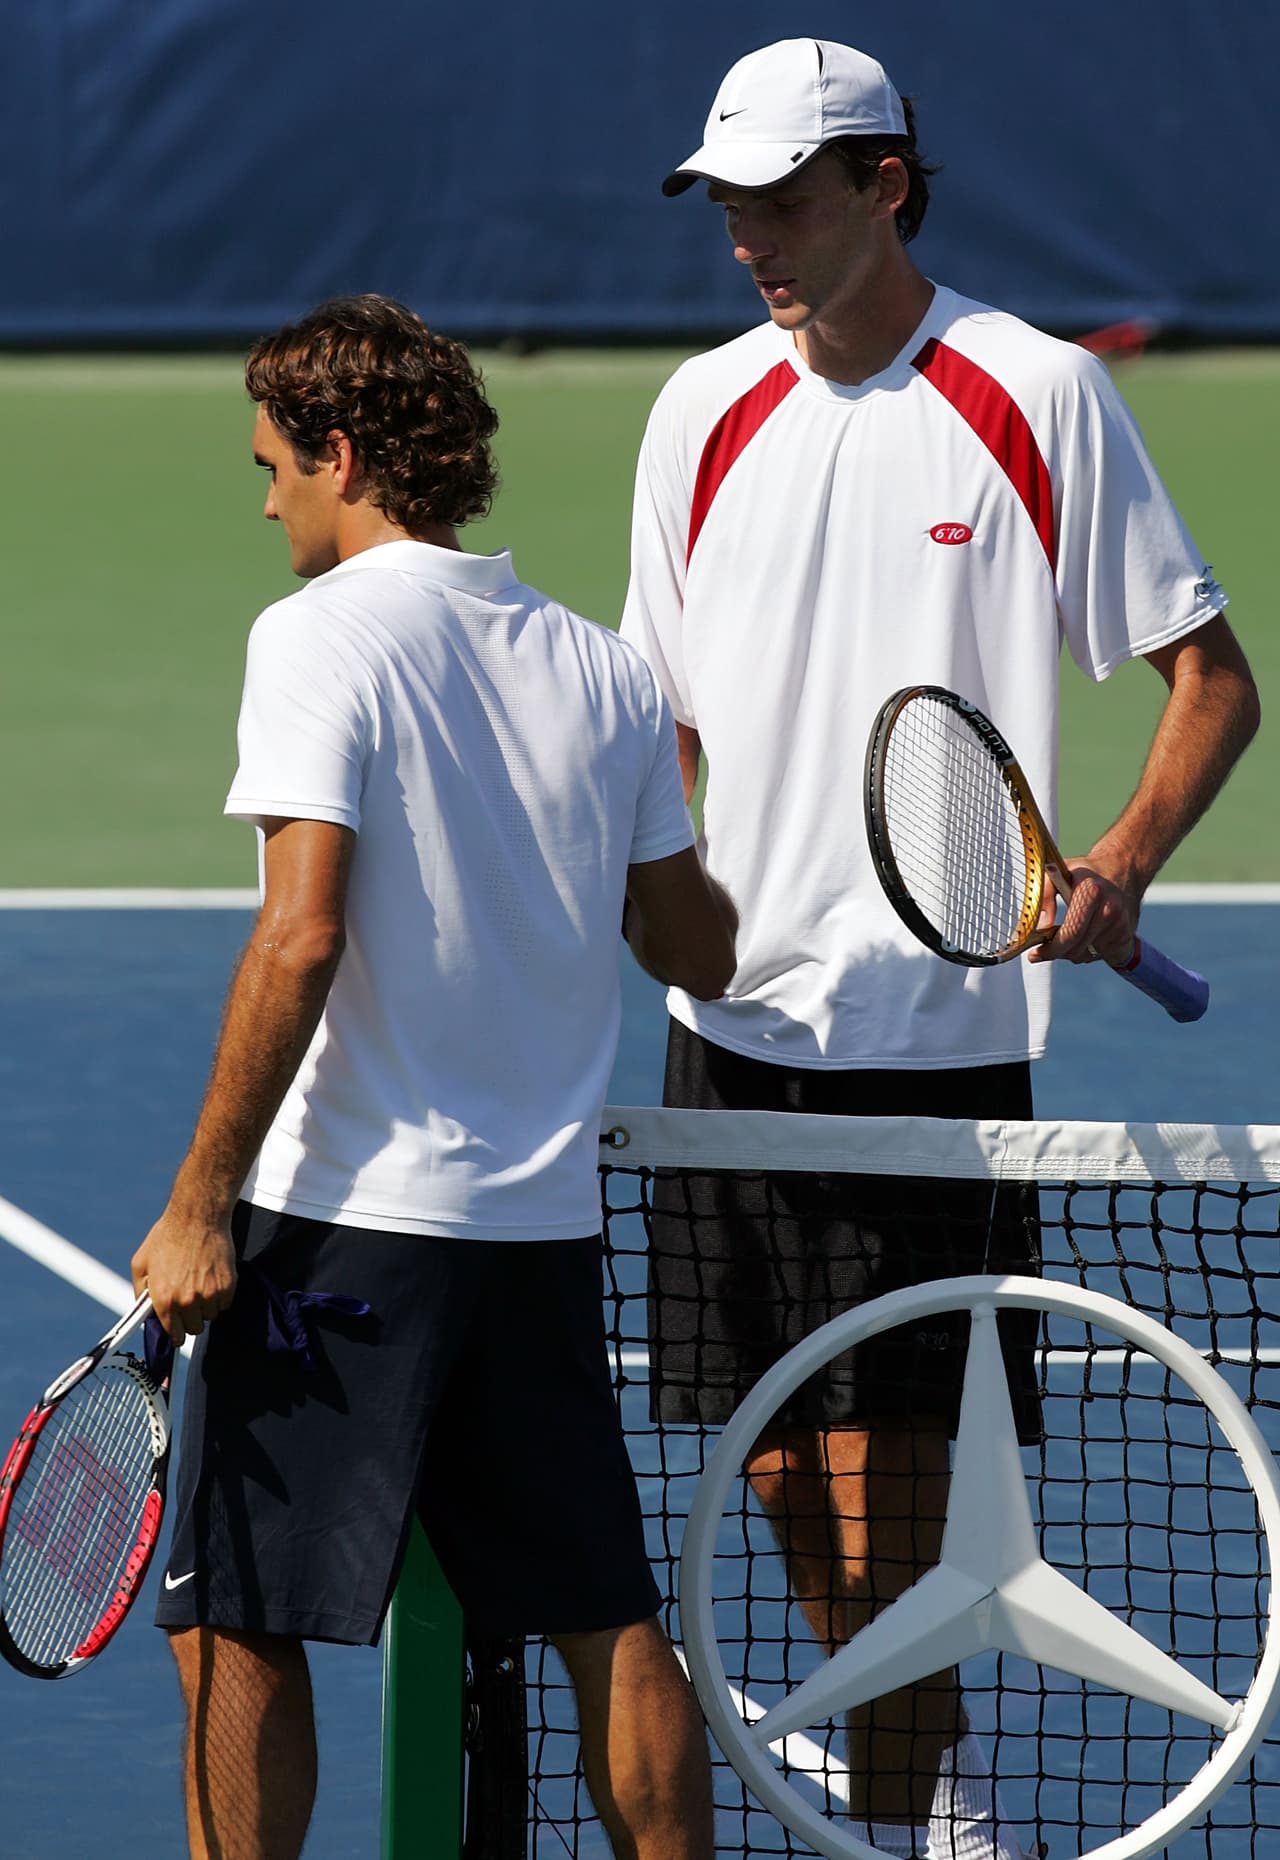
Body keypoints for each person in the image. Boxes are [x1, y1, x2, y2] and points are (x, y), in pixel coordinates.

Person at [619, 36, 1260, 1860]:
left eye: (785, 198)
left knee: (888, 1526)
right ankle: (939, 1774)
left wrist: (1123, 853)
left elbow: (1212, 680)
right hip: (724, 1055)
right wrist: (656, 902)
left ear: (886, 181)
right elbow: (662, 721)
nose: (749, 233)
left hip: (932, 1077)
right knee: (779, 1501)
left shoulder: (1034, 393)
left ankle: (918, 1829)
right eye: (728, 201)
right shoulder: (696, 413)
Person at [131, 292, 734, 1860]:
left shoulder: (317, 638)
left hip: (346, 1227)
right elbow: (698, 949)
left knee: (234, 1621)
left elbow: (300, 935)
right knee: (609, 1614)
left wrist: (202, 1201)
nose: (268, 500)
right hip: (535, 1234)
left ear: (342, 455)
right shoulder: (605, 678)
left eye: (275, 466)